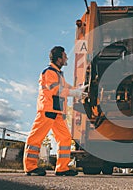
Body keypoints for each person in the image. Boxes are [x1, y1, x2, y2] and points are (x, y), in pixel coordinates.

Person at [23, 46, 86, 176]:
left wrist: (79, 90)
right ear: (58, 59)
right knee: (36, 138)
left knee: (65, 139)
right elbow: (55, 90)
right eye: (64, 56)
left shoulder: (58, 74)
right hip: (47, 110)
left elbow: (67, 87)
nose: (66, 58)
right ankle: (30, 167)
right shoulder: (49, 72)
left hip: (57, 112)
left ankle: (62, 168)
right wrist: (74, 92)